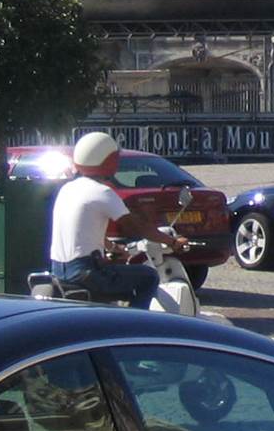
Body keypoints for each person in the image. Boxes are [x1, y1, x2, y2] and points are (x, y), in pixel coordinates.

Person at [49, 132, 185, 309]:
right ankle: (135, 323)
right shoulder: (102, 192)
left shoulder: (68, 189)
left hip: (60, 271)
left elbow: (83, 231)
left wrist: (113, 247)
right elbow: (138, 228)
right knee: (149, 277)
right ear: (109, 160)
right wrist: (173, 242)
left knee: (121, 276)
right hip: (86, 273)